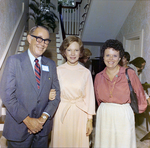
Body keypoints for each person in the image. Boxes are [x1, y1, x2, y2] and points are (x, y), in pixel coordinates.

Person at [0, 26, 60, 148]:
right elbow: (7, 96)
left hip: (42, 131)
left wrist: (42, 119)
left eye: (46, 41)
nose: (42, 44)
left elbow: (56, 95)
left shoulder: (51, 64)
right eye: (39, 39)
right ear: (29, 38)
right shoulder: (14, 61)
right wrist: (28, 121)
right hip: (19, 129)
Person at [94, 39, 147, 148]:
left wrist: (134, 111)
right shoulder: (98, 77)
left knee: (123, 143)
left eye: (114, 56)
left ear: (120, 58)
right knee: (105, 143)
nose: (110, 59)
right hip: (104, 114)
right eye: (107, 55)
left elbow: (140, 95)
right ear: (103, 57)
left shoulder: (130, 73)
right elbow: (98, 98)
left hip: (123, 114)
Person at [50, 36, 95, 148]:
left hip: (80, 113)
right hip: (61, 112)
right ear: (64, 52)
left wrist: (90, 120)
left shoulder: (85, 72)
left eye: (76, 50)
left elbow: (89, 97)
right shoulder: (57, 70)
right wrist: (49, 94)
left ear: (80, 52)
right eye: (69, 50)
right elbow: (51, 91)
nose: (72, 53)